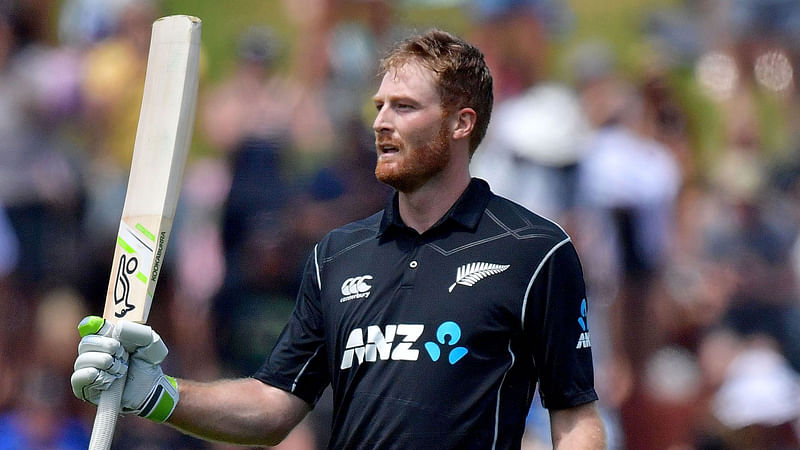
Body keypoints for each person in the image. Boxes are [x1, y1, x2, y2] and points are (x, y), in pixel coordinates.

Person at [71, 29, 605, 449]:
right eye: (379, 106)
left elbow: (575, 416)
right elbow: (272, 407)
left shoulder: (534, 251)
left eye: (404, 107)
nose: (381, 123)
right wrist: (157, 394)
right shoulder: (337, 256)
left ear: (461, 123)